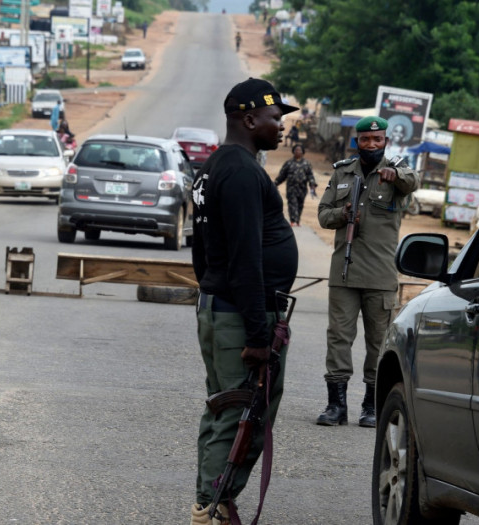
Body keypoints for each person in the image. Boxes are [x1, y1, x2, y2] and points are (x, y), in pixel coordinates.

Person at [190, 78, 299, 524]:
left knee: (225, 410)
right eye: (276, 119)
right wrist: (257, 333)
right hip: (242, 317)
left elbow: (203, 253)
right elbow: (245, 259)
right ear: (250, 119)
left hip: (225, 308)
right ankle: (212, 510)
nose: (281, 128)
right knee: (241, 419)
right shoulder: (238, 171)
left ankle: (210, 504)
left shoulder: (219, 166)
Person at [315, 115, 419, 428]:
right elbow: (322, 214)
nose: (371, 145)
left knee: (379, 342)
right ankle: (336, 406)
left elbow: (412, 182)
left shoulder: (397, 170)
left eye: (377, 140)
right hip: (344, 271)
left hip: (380, 274)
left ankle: (371, 406)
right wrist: (342, 214)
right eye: (365, 140)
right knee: (338, 338)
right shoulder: (343, 171)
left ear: (386, 140)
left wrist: (394, 174)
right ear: (356, 142)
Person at [274, 144, 317, 226]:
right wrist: (275, 183)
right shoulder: (288, 163)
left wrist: (312, 184)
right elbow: (282, 175)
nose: (298, 152)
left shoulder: (306, 164)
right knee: (292, 203)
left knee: (300, 204)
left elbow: (310, 175)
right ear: (293, 151)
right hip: (291, 188)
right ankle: (293, 220)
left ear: (303, 152)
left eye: (299, 150)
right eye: (296, 150)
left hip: (302, 188)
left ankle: (297, 221)